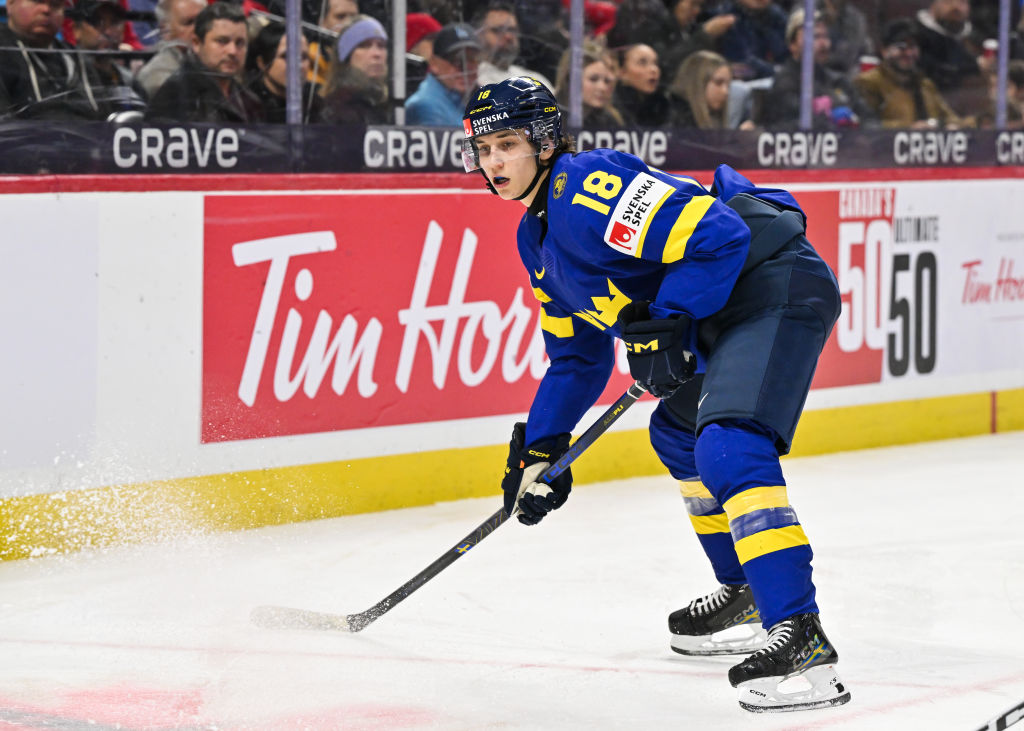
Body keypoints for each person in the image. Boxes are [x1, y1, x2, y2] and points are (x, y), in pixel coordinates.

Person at [460, 75, 850, 713]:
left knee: (727, 443)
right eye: (483, 149)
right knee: (677, 434)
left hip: (771, 284)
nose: (493, 162)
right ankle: (747, 590)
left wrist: (667, 320)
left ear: (546, 141)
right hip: (721, 312)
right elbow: (577, 357)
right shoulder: (536, 241)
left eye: (507, 144)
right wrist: (542, 445)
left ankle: (800, 632)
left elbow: (720, 234)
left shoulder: (585, 185)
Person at [146, 1, 265, 122]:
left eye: (240, 43)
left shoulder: (251, 100)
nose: (232, 51)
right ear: (196, 43)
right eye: (222, 41)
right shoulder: (177, 95)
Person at [757, 9, 871, 129]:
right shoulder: (785, 84)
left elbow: (869, 118)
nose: (823, 44)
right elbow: (789, 126)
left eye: (825, 36)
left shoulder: (838, 81)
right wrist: (830, 120)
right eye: (815, 36)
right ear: (792, 45)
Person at [854, 18, 969, 129]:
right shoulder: (868, 82)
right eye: (901, 47)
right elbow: (866, 126)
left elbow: (951, 118)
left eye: (913, 46)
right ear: (884, 51)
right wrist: (909, 129)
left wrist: (951, 126)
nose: (908, 53)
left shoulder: (925, 85)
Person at [0, 0, 107, 119]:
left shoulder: (76, 58)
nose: (46, 10)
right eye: (37, 1)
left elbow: (104, 114)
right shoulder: (4, 52)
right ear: (10, 4)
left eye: (56, 4)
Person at [70, 0, 147, 115]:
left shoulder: (128, 81)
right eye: (96, 22)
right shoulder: (68, 77)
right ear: (77, 29)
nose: (108, 31)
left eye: (115, 22)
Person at [914, 0, 987, 114]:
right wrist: (976, 67)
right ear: (933, 4)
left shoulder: (977, 35)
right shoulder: (917, 35)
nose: (955, 7)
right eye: (948, 1)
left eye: (962, 2)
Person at [319, 13, 392, 124]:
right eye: (365, 46)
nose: (377, 54)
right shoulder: (335, 111)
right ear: (347, 58)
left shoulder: (393, 105)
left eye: (381, 46)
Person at [245, 21, 323, 123]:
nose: (297, 65)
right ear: (262, 63)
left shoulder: (316, 106)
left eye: (303, 57)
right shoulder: (245, 105)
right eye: (286, 56)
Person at [405, 22, 480, 126]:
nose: (467, 69)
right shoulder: (426, 105)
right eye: (457, 61)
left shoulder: (473, 96)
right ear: (434, 63)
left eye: (472, 59)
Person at [472, 1, 554, 90]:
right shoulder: (471, 79)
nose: (508, 36)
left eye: (512, 30)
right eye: (498, 30)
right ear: (478, 35)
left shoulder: (536, 78)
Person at [134, 0, 205, 98]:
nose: (198, 29)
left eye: (203, 21)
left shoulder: (215, 62)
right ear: (165, 30)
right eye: (189, 23)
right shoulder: (158, 75)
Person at [667, 49, 754, 129]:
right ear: (698, 83)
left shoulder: (714, 119)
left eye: (728, 85)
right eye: (718, 83)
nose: (725, 92)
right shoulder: (672, 119)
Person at [705, 0, 788, 80]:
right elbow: (743, 62)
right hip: (740, 83)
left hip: (777, 78)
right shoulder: (725, 16)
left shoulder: (776, 15)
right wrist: (776, 71)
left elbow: (790, 51)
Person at [553, 39, 625, 128]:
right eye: (593, 79)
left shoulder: (610, 119)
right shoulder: (548, 117)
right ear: (570, 80)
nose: (602, 87)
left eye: (607, 81)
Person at [612, 42, 670, 127]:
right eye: (642, 62)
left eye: (656, 63)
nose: (654, 69)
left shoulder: (666, 106)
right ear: (622, 72)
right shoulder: (612, 111)